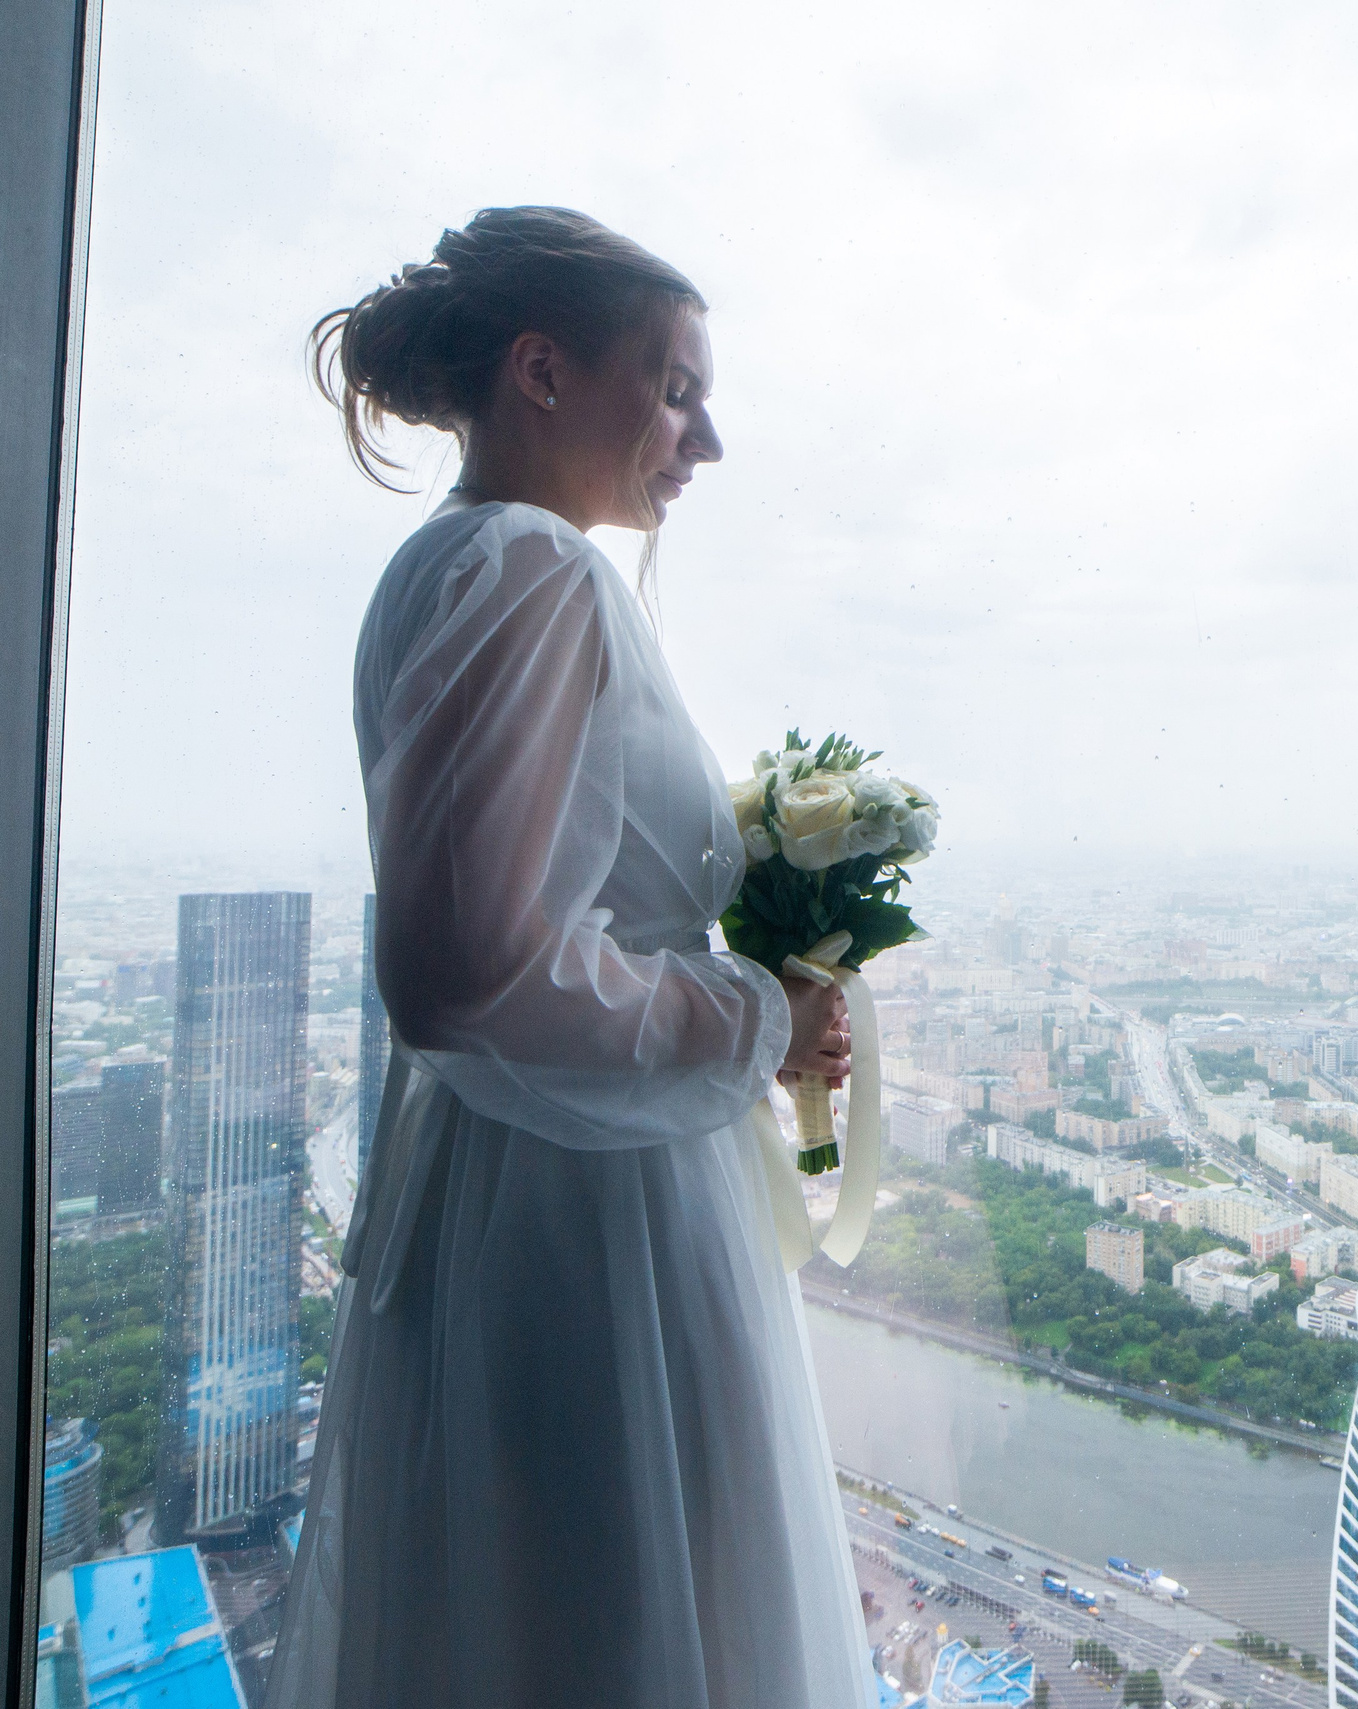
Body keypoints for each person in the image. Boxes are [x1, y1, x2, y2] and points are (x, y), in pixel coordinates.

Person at [267, 206, 880, 1709]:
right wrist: (758, 1017)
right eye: (674, 391)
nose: (705, 441)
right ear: (541, 372)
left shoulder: (445, 565)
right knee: (625, 1623)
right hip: (597, 1215)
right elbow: (471, 967)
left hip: (511, 1179)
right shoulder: (534, 568)